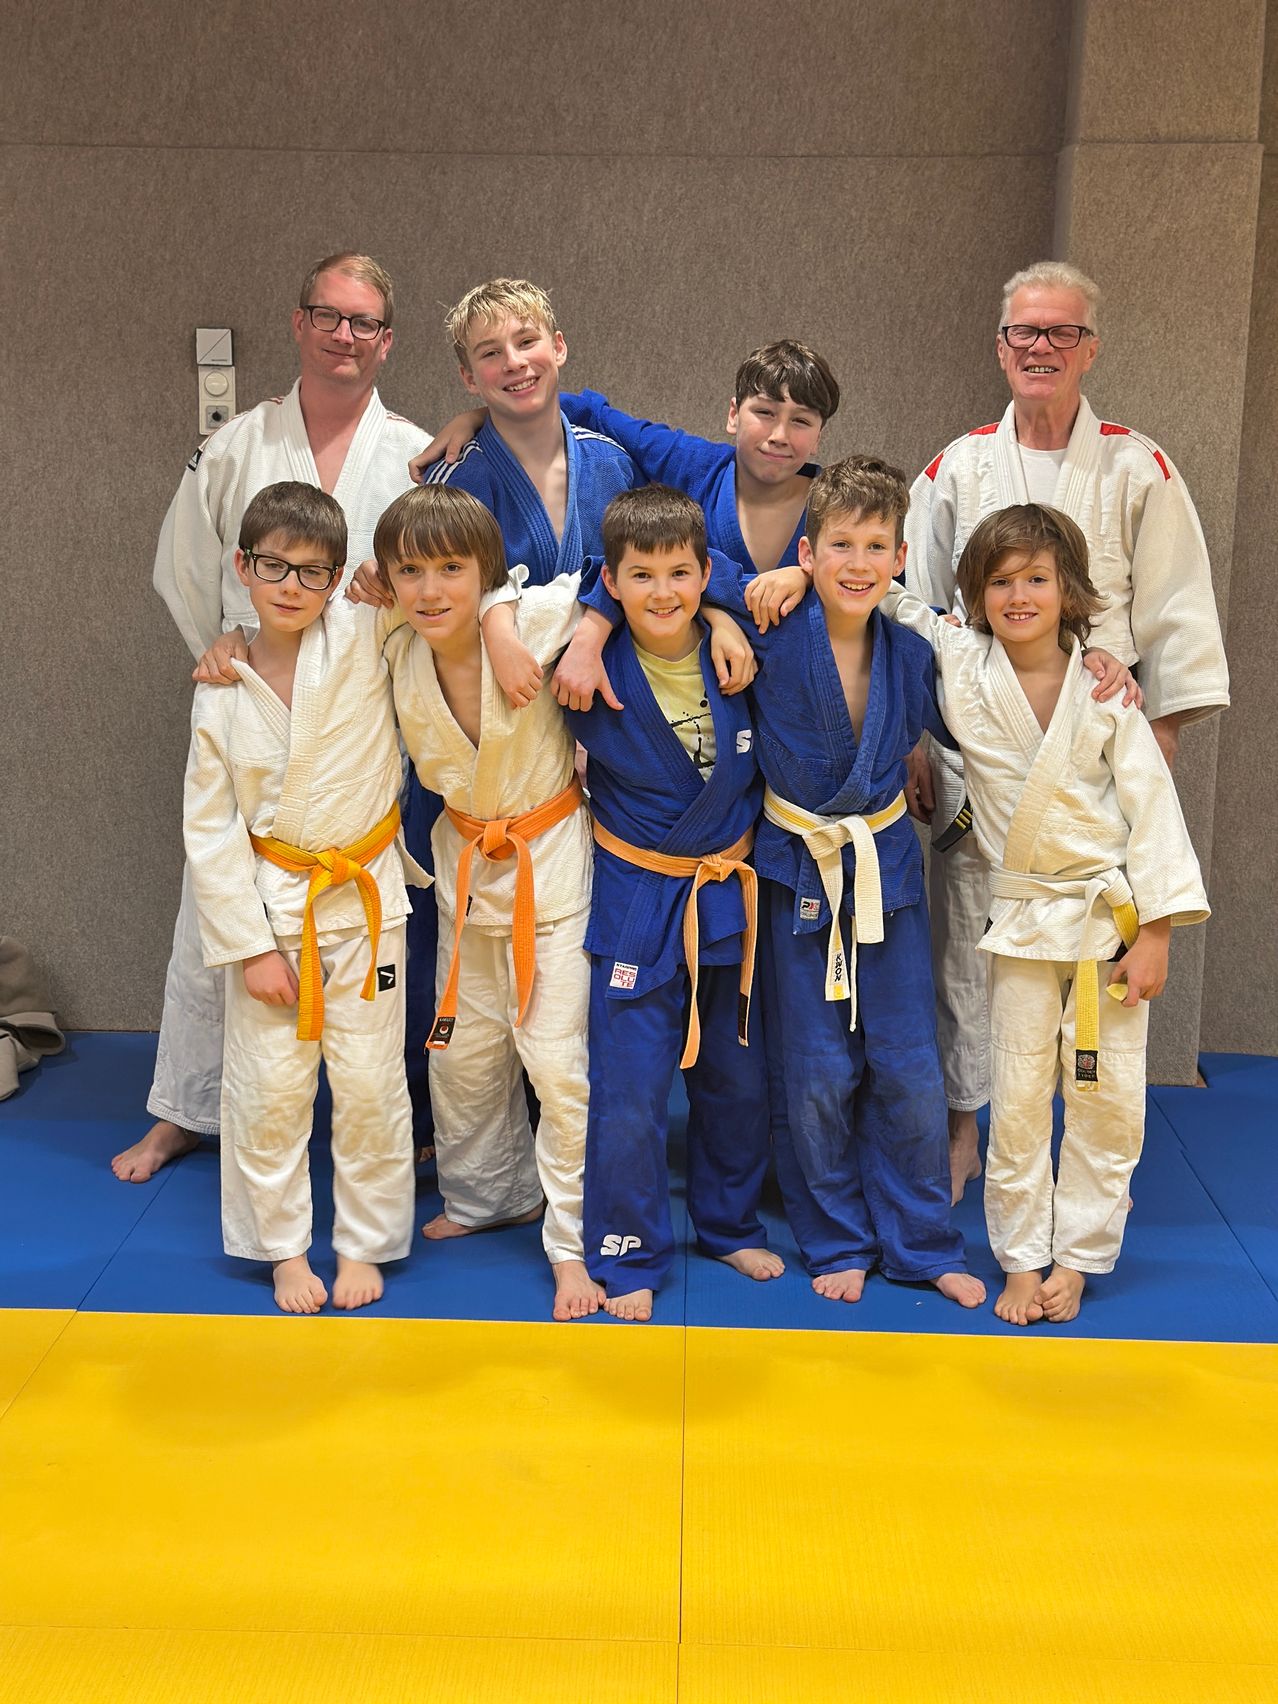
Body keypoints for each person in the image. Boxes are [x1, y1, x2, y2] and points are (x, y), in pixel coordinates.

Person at [905, 260, 1229, 1205]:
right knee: (972, 944)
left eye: (1059, 333)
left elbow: (1178, 611)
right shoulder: (958, 464)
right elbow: (915, 607)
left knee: (1093, 954)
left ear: (1090, 346)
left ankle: (1079, 1156)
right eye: (1023, 334)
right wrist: (919, 740)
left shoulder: (1137, 464)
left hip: (1096, 749)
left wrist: (1155, 742)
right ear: (1000, 346)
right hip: (981, 749)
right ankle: (969, 1127)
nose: (1039, 349)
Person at [114, 252, 429, 1186]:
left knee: (375, 923)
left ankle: (383, 1114)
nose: (345, 335)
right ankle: (185, 1107)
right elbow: (182, 562)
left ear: (386, 341)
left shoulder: (413, 451)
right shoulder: (236, 445)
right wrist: (224, 650)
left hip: (362, 725)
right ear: (298, 323)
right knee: (215, 907)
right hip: (255, 699)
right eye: (328, 316)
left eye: (364, 322)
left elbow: (441, 580)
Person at [882, 503, 1210, 1323]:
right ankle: (1022, 1258)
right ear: (976, 593)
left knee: (1106, 1095)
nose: (1018, 595)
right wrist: (793, 572)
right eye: (1000, 581)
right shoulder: (961, 661)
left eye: (1037, 579)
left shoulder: (1105, 693)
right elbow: (884, 596)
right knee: (1019, 1095)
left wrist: (1159, 933)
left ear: (1070, 593)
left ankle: (1081, 1254)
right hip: (1024, 922)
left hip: (1107, 924)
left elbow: (1153, 811)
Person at [719, 457, 984, 1308]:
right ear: (809, 549)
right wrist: (770, 583)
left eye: (876, 545)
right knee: (816, 1069)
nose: (858, 562)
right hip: (795, 869)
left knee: (908, 1064)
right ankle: (834, 1236)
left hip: (885, 872)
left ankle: (919, 1240)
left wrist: (1098, 668)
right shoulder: (765, 629)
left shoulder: (913, 651)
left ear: (901, 556)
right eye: (839, 545)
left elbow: (1003, 682)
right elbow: (676, 579)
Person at [184, 483, 423, 1314]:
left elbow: (449, 596)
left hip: (363, 899)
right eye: (274, 566)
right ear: (243, 568)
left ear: (334, 580)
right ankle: (282, 1248)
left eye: (313, 572)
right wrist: (248, 947)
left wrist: (385, 583)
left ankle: (365, 1241)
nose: (291, 586)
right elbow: (209, 829)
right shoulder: (220, 688)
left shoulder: (365, 629)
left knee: (369, 1082)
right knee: (269, 1090)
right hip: (273, 911)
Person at [374, 484, 603, 1323]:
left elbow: (623, 577)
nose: (431, 590)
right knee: (461, 1055)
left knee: (556, 1063)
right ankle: (487, 1196)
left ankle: (574, 1244)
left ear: (486, 573)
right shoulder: (393, 640)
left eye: (451, 570)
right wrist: (231, 643)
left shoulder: (538, 619)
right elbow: (302, 632)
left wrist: (504, 617)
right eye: (410, 571)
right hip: (463, 865)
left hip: (551, 869)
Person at [561, 486, 783, 1323]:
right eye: (641, 574)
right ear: (607, 583)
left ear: (707, 573)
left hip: (730, 888)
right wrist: (584, 631)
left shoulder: (741, 650)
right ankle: (628, 1249)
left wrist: (727, 613)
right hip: (637, 894)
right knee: (630, 1086)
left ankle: (727, 1223)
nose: (664, 591)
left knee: (736, 1075)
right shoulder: (585, 661)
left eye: (682, 573)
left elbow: (790, 588)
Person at [417, 339, 838, 578]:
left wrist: (805, 578)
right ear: (733, 414)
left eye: (800, 421)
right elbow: (589, 411)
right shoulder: (693, 465)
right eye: (764, 412)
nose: (779, 435)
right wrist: (480, 416)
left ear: (820, 436)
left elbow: (880, 597)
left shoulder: (840, 509)